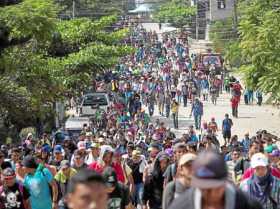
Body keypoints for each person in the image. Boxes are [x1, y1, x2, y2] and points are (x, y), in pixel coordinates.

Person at [169, 151, 262, 209]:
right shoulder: (180, 206)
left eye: (215, 188)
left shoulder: (247, 205)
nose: (210, 194)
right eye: (204, 188)